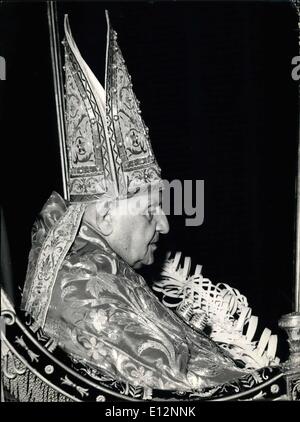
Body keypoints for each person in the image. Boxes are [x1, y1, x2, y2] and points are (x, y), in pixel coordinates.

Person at [20, 13, 276, 395]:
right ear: (106, 213)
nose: (166, 224)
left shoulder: (85, 262)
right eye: (150, 208)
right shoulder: (85, 291)